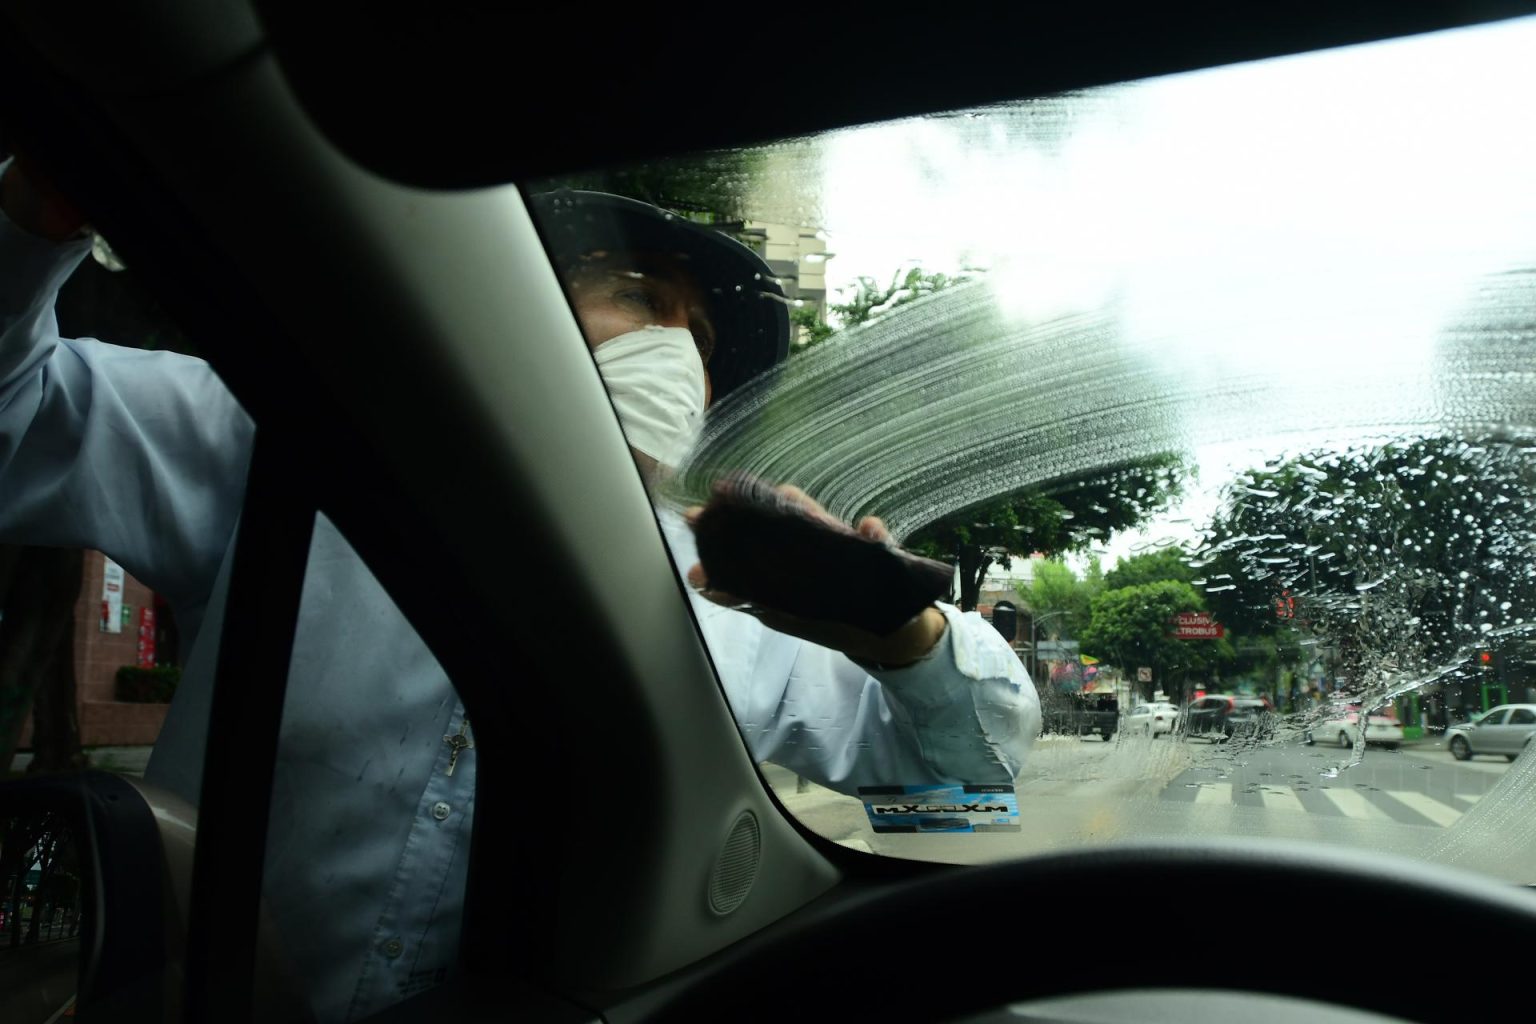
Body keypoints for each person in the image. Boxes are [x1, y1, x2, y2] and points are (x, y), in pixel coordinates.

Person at [0, 160, 1039, 1021]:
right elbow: (23, 423)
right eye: (632, 295)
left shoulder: (736, 614)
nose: (669, 346)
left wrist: (898, 633)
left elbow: (969, 805)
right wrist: (36, 215)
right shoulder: (286, 449)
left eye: (697, 338)